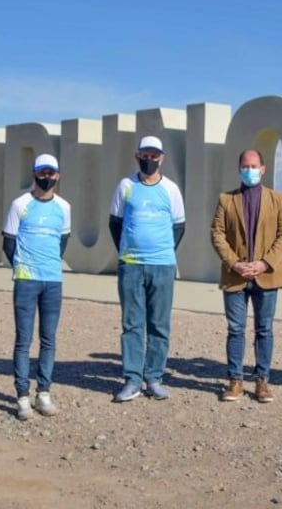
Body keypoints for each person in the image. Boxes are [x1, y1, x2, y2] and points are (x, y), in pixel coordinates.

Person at [210, 149, 282, 403]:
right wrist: (234, 263)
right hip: (235, 276)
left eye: (254, 165)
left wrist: (265, 263)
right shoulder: (226, 199)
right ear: (239, 169)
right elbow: (217, 233)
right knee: (236, 329)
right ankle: (235, 380)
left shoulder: (277, 199)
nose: (250, 170)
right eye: (245, 166)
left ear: (263, 168)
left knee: (264, 329)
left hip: (266, 276)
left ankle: (262, 381)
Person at [108, 135, 186, 402]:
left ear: (161, 158)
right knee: (132, 324)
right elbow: (115, 223)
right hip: (131, 265)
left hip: (162, 265)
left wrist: (161, 251)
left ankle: (153, 377)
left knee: (159, 324)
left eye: (154, 155)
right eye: (145, 155)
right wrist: (129, 250)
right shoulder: (125, 186)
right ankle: (132, 379)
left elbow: (179, 226)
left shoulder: (171, 190)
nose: (149, 160)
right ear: (137, 156)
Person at [2, 154, 71, 420]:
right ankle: (22, 395)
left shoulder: (64, 207)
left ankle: (43, 392)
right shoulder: (20, 204)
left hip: (53, 279)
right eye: (42, 172)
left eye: (51, 172)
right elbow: (8, 242)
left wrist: (48, 264)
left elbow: (63, 240)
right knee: (23, 340)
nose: (46, 177)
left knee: (49, 338)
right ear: (34, 174)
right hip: (26, 280)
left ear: (58, 175)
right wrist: (22, 267)